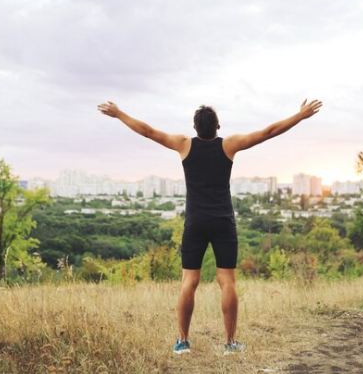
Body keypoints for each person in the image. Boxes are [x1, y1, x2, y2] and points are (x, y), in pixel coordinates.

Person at [97, 99, 323, 355]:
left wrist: (118, 114)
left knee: (189, 281)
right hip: (223, 222)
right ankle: (230, 344)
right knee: (227, 282)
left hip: (195, 223)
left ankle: (182, 342)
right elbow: (268, 132)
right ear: (218, 125)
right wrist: (300, 115)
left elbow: (147, 131)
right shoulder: (228, 145)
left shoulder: (184, 145)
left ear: (194, 127)